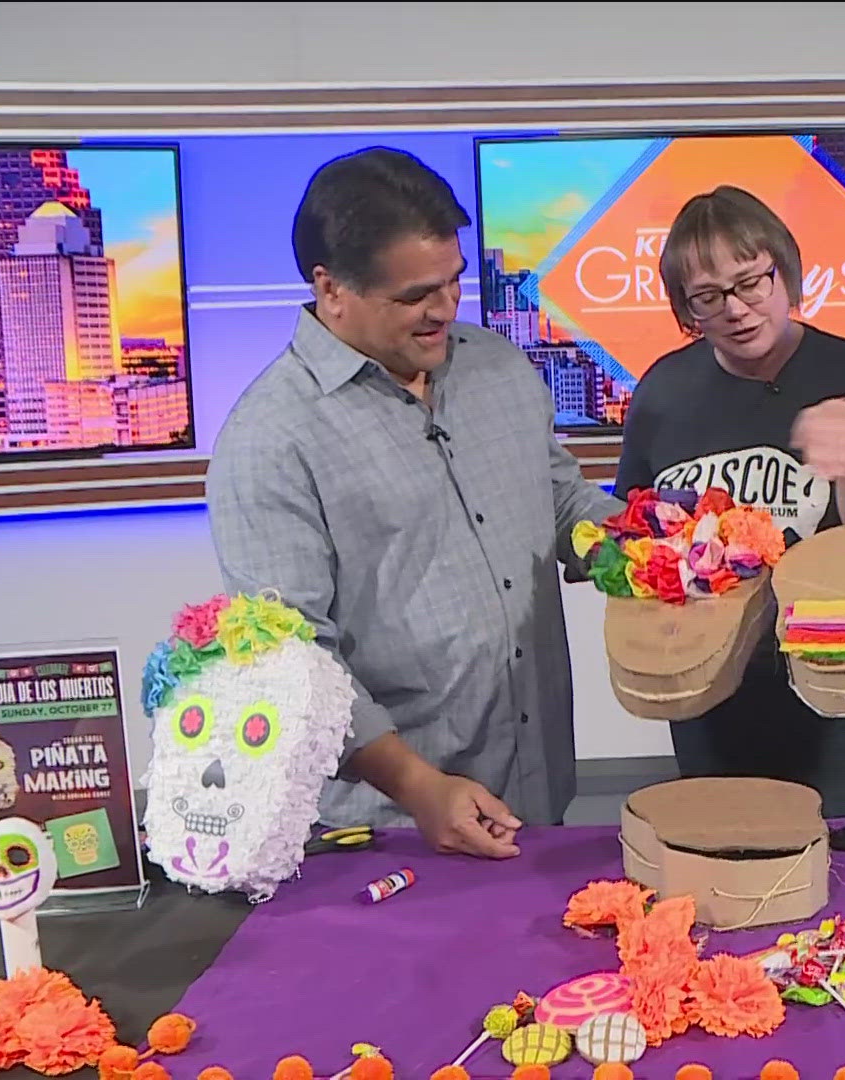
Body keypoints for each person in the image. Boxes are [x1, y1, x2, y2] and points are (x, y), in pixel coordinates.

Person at [205, 147, 623, 857]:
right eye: (413, 297)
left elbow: (558, 504)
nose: (444, 309)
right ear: (331, 288)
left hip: (539, 793)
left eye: (454, 282)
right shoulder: (271, 440)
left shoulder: (499, 367)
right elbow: (293, 658)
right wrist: (421, 786)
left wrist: (660, 550)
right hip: (388, 831)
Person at [614, 185, 845, 817]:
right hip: (708, 678)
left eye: (752, 282)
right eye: (708, 297)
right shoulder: (664, 391)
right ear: (687, 308)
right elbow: (635, 530)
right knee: (722, 858)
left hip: (841, 676)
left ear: (785, 271)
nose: (737, 309)